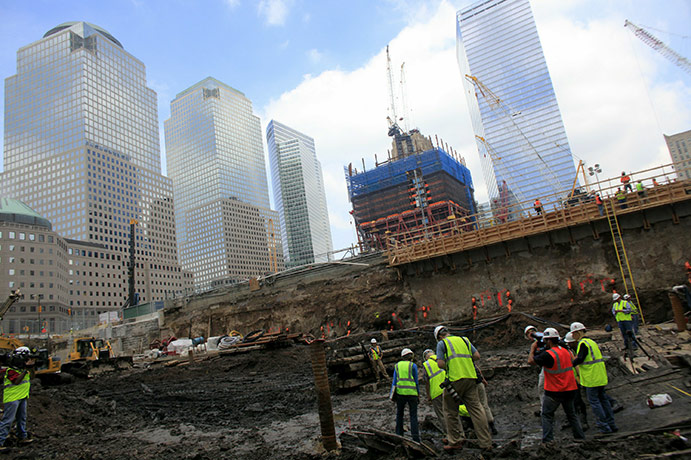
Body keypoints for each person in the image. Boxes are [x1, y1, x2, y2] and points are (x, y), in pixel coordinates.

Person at [434, 325, 492, 452]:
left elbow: (440, 363)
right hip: (470, 378)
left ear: (439, 336)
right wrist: (465, 362)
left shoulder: (442, 344)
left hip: (455, 379)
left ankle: (455, 440)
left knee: (450, 410)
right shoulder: (464, 340)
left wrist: (451, 365)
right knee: (477, 409)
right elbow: (477, 356)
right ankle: (486, 442)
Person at [529, 328, 585, 444]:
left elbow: (531, 361)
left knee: (547, 415)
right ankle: (580, 438)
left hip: (554, 391)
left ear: (548, 341)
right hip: (570, 389)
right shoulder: (566, 351)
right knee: (572, 415)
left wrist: (533, 348)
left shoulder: (548, 355)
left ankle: (548, 441)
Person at [569, 322, 618, 434]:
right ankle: (611, 424)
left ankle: (604, 427)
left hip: (591, 378)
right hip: (600, 376)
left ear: (577, 332)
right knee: (603, 400)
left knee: (595, 402)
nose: (572, 336)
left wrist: (570, 363)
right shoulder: (591, 342)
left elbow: (580, 359)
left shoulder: (583, 343)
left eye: (573, 334)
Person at [0, 347, 35, 451]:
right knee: (8, 420)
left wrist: (31, 368)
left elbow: (32, 377)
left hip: (22, 396)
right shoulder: (10, 371)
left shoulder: (23, 370)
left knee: (22, 418)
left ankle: (22, 437)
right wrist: (25, 369)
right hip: (12, 398)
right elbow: (16, 381)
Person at [421, 349, 455, 439]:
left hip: (436, 392)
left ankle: (448, 435)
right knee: (453, 410)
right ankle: (458, 432)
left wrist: (428, 396)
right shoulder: (441, 357)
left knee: (442, 414)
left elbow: (426, 382)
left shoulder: (426, 365)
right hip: (449, 387)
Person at [390, 348, 420, 442]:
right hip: (412, 394)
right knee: (413, 416)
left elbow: (394, 381)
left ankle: (399, 434)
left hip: (400, 393)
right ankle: (415, 437)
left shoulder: (397, 366)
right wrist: (418, 394)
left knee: (399, 414)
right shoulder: (413, 366)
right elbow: (416, 381)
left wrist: (392, 394)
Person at [563, 332, 590, 432]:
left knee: (578, 401)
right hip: (568, 380)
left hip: (573, 380)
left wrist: (580, 379)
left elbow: (576, 365)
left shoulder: (571, 352)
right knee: (569, 402)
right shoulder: (568, 351)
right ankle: (572, 420)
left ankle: (583, 421)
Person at [525, 325, 546, 412]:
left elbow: (531, 361)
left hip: (548, 366)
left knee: (541, 387)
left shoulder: (542, 339)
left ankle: (544, 409)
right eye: (528, 333)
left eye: (532, 331)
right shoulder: (537, 342)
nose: (531, 334)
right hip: (544, 366)